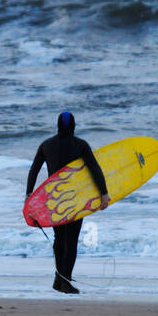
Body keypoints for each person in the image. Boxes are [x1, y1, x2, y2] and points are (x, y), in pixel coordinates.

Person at [26, 111, 110, 294]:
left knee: (59, 238)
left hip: (53, 200)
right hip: (74, 200)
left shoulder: (46, 145)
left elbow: (34, 170)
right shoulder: (80, 145)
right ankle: (65, 281)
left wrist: (29, 196)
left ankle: (59, 279)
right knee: (71, 240)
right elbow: (95, 169)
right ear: (73, 126)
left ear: (57, 125)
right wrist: (103, 193)